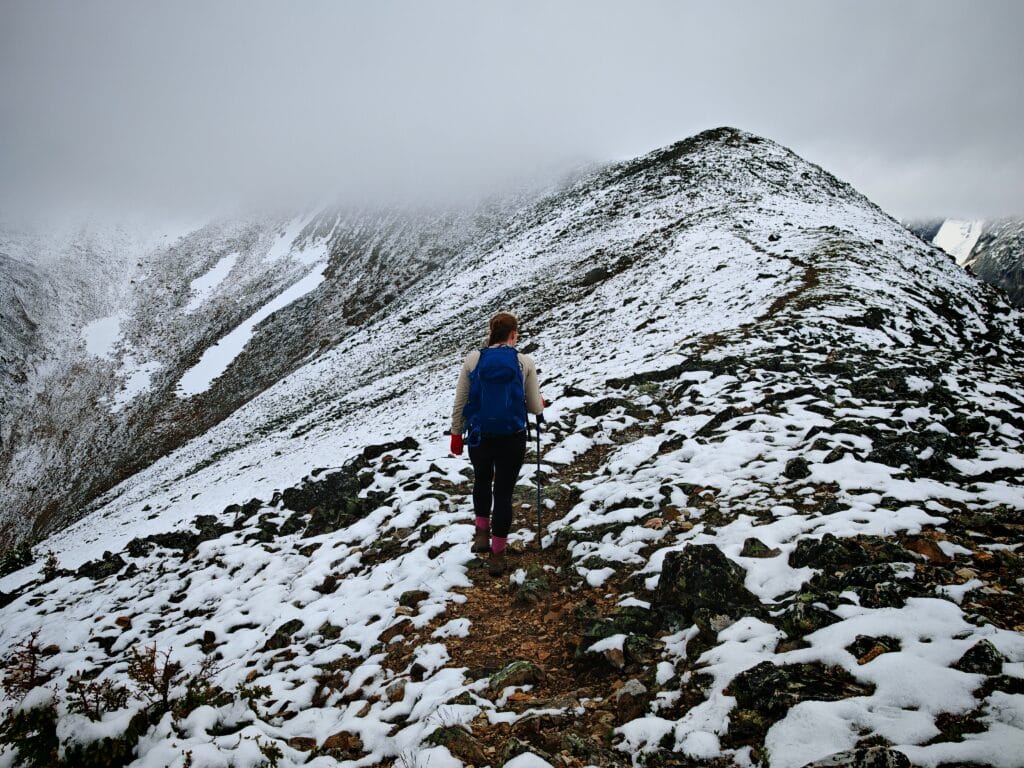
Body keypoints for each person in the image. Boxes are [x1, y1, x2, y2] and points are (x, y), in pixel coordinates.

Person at [450, 312, 544, 576]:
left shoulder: (474, 358)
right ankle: (498, 555)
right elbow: (535, 406)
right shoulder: (524, 361)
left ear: (491, 331)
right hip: (512, 438)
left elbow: (461, 401)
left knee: (481, 480)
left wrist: (456, 434)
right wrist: (541, 403)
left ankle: (481, 534)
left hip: (480, 436)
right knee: (503, 493)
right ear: (513, 334)